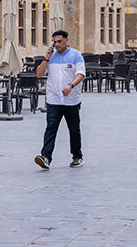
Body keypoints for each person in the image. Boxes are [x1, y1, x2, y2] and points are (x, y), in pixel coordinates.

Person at [33, 30, 86, 170]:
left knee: (74, 129)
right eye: (54, 42)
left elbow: (81, 74)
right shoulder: (51, 57)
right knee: (51, 128)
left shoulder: (76, 55)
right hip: (53, 99)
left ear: (66, 40)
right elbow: (39, 74)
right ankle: (46, 157)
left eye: (59, 41)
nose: (56, 44)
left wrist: (70, 85)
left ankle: (77, 156)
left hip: (71, 100)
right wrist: (46, 59)